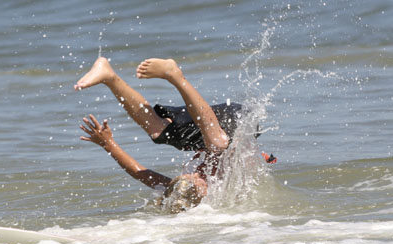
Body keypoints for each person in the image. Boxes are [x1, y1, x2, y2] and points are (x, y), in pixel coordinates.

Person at [76, 57, 267, 212]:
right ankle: (175, 76)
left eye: (189, 176)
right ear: (202, 194)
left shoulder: (178, 191)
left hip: (209, 125)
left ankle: (109, 77)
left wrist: (108, 144)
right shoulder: (221, 190)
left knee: (158, 132)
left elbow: (141, 174)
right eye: (197, 180)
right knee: (218, 145)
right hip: (240, 122)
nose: (195, 173)